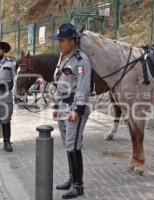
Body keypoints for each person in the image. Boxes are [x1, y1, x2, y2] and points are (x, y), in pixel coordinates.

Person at [49, 22, 92, 199]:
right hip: (64, 106)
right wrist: (57, 105)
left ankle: (78, 185)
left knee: (74, 146)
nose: (60, 43)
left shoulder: (81, 60)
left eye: (63, 40)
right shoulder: (63, 58)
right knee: (68, 144)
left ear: (73, 40)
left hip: (75, 108)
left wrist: (77, 109)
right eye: (59, 40)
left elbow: (83, 86)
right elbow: (60, 84)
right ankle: (71, 178)